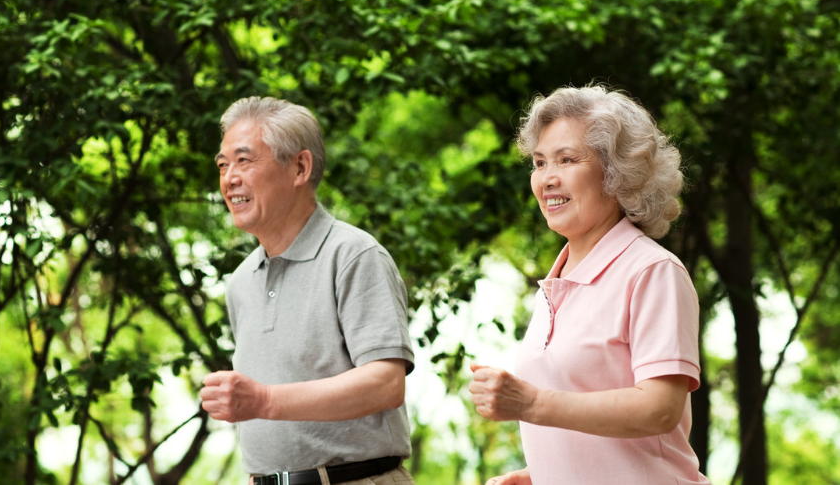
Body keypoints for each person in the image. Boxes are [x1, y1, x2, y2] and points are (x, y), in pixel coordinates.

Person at [468, 85, 711, 485]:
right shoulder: (555, 282)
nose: (547, 178)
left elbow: (659, 410)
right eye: (539, 162)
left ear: (617, 173)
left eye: (566, 160)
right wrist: (542, 474)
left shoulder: (652, 270)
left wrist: (530, 402)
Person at [200, 96, 417, 485]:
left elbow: (386, 383)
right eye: (223, 164)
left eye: (244, 161)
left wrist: (263, 401)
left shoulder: (354, 255)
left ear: (300, 167)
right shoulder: (239, 283)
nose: (229, 177)